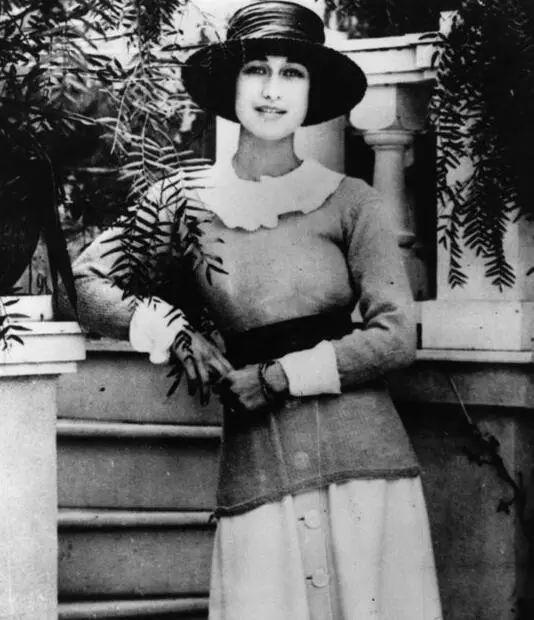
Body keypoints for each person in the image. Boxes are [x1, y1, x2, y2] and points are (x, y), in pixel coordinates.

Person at [70, 2, 442, 618]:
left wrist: (278, 377)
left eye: (292, 73)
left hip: (364, 465)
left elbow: (396, 335)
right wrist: (175, 331)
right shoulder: (181, 199)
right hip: (257, 464)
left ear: (311, 92)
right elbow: (86, 281)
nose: (273, 91)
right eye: (256, 71)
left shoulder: (352, 201)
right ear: (231, 85)